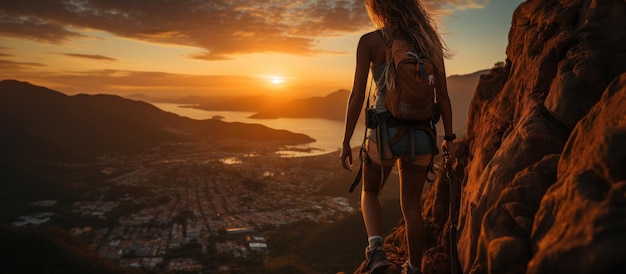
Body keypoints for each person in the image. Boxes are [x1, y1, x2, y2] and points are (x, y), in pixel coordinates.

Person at [340, 0, 456, 273]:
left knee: (369, 191)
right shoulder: (429, 42)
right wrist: (449, 137)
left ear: (378, 8)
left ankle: (376, 251)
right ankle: (414, 268)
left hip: (383, 135)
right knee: (412, 207)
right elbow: (444, 96)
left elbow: (357, 95)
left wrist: (346, 141)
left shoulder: (370, 41)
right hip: (423, 135)